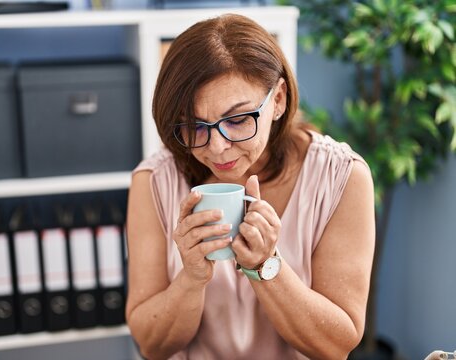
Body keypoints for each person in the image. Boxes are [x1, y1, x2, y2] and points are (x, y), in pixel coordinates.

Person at [126, 13, 375, 360]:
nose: (215, 147)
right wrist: (191, 279)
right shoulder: (154, 182)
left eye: (238, 119)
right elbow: (151, 345)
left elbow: (337, 345)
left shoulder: (341, 177)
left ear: (278, 100)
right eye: (194, 126)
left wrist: (266, 266)